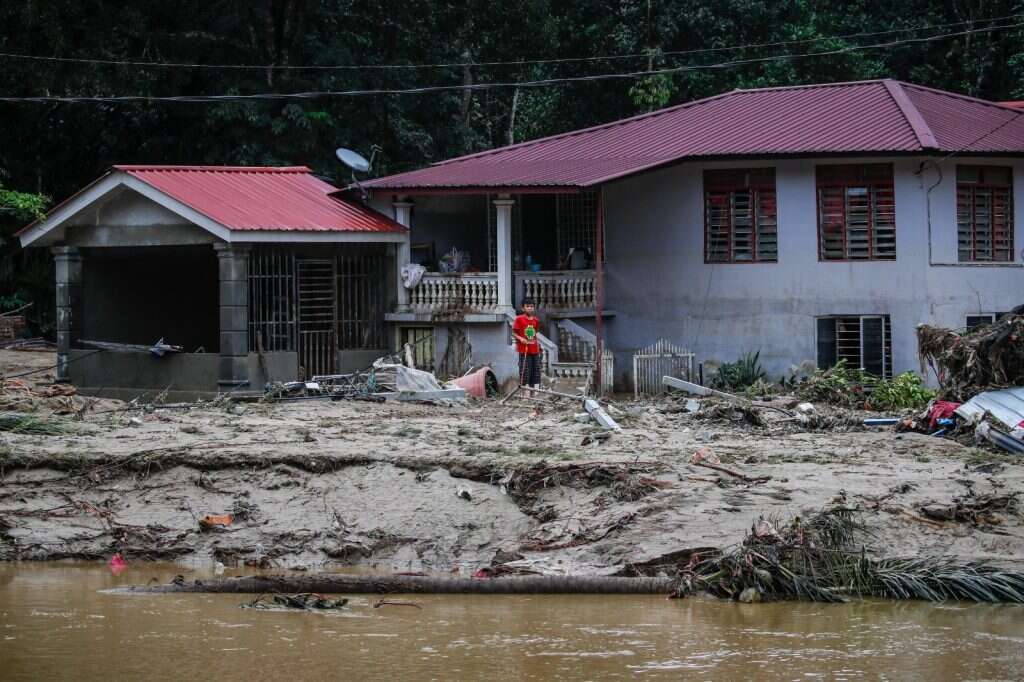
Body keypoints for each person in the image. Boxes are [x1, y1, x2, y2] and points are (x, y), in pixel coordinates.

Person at [512, 298, 542, 389]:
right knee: (525, 371)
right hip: (524, 349)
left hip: (534, 350)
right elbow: (513, 332)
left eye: (531, 306)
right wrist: (520, 338)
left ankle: (532, 393)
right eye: (527, 306)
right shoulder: (519, 319)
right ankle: (524, 393)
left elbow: (535, 334)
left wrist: (538, 345)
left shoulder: (536, 320)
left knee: (535, 372)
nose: (529, 308)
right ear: (523, 308)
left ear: (534, 308)